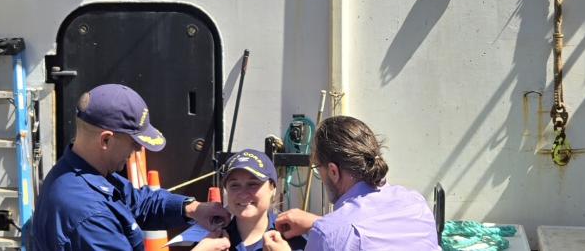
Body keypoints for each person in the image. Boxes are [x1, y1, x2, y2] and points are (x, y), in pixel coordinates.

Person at [32, 84, 231, 250]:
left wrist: (192, 208)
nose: (137, 150)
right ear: (106, 140)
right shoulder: (89, 214)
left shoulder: (84, 173)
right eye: (134, 143)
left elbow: (138, 201)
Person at [263, 116, 439, 251]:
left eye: (318, 168)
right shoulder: (415, 202)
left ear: (333, 171)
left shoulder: (328, 235)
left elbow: (343, 234)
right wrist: (317, 222)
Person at [193, 149, 306, 251]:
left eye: (253, 184)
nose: (243, 194)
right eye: (234, 185)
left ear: (273, 189)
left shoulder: (293, 239)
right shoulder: (209, 242)